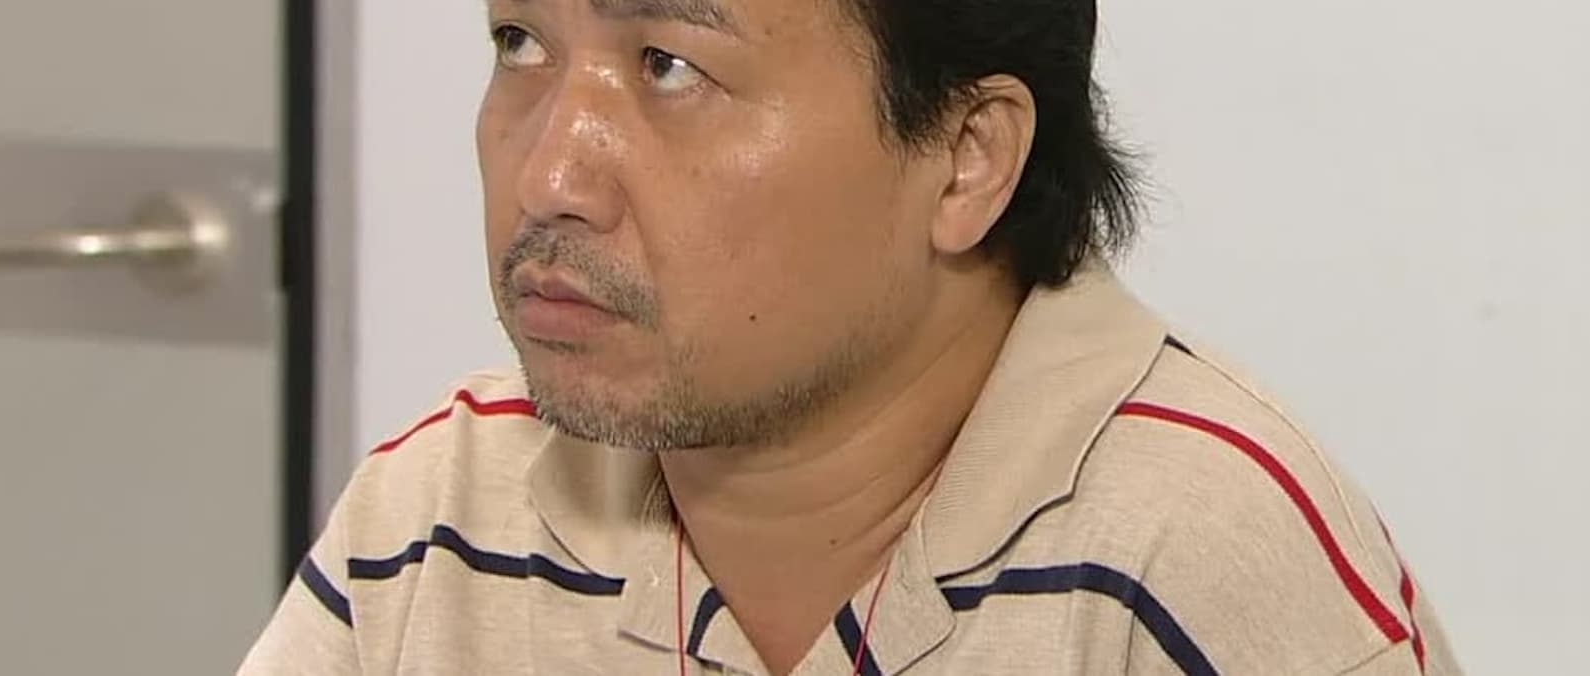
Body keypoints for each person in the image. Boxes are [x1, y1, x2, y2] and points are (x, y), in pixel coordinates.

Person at [242, 0, 1457, 673]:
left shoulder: (1189, 554)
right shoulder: (441, 517)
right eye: (520, 44)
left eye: (669, 66)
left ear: (966, 157)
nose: (550, 175)